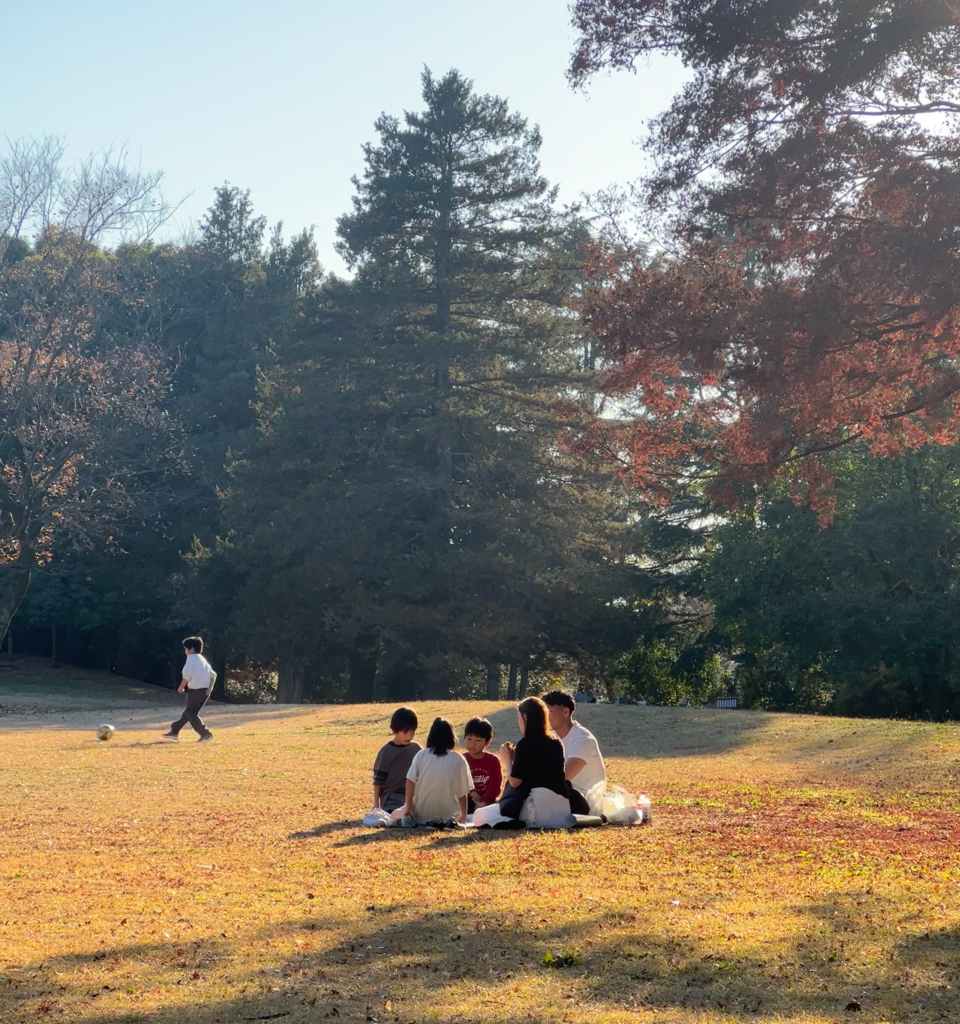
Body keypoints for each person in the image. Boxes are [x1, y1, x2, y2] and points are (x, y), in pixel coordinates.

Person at [498, 696, 568, 820]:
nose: (518, 722)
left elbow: (515, 782)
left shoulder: (525, 744)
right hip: (562, 807)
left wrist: (508, 759)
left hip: (536, 807)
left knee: (483, 815)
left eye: (519, 718)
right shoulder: (556, 742)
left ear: (525, 717)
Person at [542, 690, 607, 814]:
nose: (545, 717)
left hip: (583, 801)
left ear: (566, 712)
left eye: (550, 711)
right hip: (560, 796)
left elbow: (562, 777)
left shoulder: (582, 739)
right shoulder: (550, 738)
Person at [404, 717, 473, 825]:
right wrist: (463, 815)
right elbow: (463, 791)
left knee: (396, 812)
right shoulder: (458, 759)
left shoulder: (421, 755)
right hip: (449, 818)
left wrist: (408, 808)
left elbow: (410, 781)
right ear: (452, 737)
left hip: (421, 816)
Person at [164, 637, 217, 742]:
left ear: (191, 649)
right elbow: (213, 675)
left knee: (191, 714)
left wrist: (180, 688)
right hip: (205, 691)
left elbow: (186, 676)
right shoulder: (202, 659)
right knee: (189, 712)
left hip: (196, 691)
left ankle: (205, 734)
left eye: (185, 649)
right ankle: (174, 730)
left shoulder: (191, 659)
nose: (185, 651)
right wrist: (210, 689)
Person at [371, 707, 420, 817]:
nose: (409, 736)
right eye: (405, 731)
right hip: (393, 796)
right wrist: (376, 804)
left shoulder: (417, 749)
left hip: (413, 795)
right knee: (400, 810)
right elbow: (378, 780)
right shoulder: (386, 751)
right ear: (395, 729)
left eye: (412, 732)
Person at [462, 717, 503, 813]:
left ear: (487, 742)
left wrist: (484, 802)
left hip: (487, 804)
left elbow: (495, 786)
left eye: (478, 740)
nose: (473, 744)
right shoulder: (462, 760)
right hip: (466, 802)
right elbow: (457, 784)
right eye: (469, 739)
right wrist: (470, 793)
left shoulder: (493, 761)